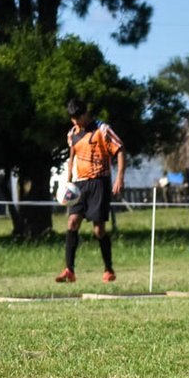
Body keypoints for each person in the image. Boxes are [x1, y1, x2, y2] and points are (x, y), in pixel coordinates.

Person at [56, 97, 125, 284]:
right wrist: (68, 180)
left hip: (99, 183)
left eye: (78, 118)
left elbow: (120, 149)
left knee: (98, 230)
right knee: (72, 223)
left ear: (86, 113)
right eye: (72, 119)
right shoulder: (72, 133)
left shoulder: (102, 129)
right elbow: (72, 156)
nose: (76, 122)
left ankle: (108, 269)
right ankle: (69, 270)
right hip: (79, 185)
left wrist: (119, 177)